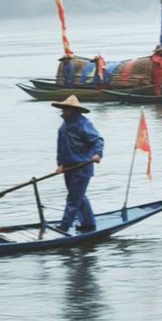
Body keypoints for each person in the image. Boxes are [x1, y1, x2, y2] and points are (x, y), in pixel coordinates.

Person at [51, 95, 104, 233]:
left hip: (82, 166)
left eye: (65, 109)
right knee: (78, 196)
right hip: (69, 167)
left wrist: (98, 154)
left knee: (73, 198)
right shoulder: (64, 126)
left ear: (73, 110)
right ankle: (88, 223)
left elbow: (97, 140)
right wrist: (60, 164)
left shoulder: (83, 124)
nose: (62, 112)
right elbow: (61, 147)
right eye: (63, 109)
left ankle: (64, 226)